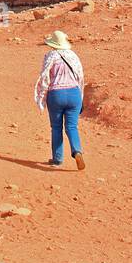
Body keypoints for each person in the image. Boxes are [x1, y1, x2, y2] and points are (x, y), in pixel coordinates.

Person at [35, 30, 85, 171]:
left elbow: (45, 78)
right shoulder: (73, 56)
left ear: (53, 44)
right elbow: (80, 77)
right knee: (72, 127)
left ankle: (57, 158)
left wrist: (42, 97)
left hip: (56, 94)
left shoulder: (50, 56)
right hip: (74, 93)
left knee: (56, 127)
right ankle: (77, 151)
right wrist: (80, 97)